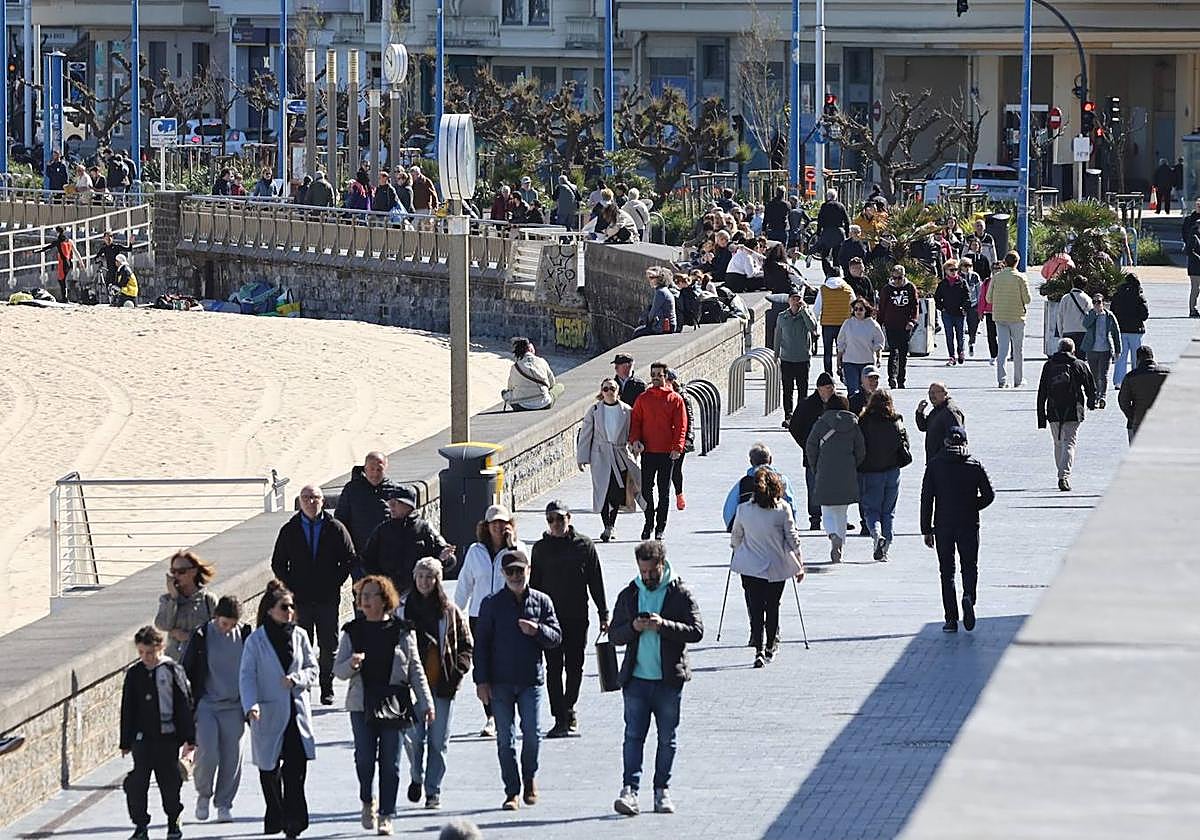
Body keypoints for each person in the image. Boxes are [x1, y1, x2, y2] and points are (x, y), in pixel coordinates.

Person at [333, 575, 433, 836]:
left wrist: (426, 702)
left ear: (384, 599)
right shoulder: (352, 631)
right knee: (365, 759)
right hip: (361, 704)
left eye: (369, 596)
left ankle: (387, 814)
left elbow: (415, 670)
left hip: (394, 703)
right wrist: (352, 664)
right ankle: (367, 799)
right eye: (361, 596)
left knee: (391, 762)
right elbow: (338, 671)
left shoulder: (402, 630)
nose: (363, 601)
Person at [609, 540, 703, 817]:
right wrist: (634, 627)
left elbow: (696, 631)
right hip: (636, 680)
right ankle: (630, 791)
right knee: (633, 737)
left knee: (667, 739)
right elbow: (615, 634)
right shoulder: (630, 594)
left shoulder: (680, 592)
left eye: (652, 571)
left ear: (663, 565)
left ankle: (662, 790)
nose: (648, 577)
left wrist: (664, 626)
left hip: (668, 681)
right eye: (644, 572)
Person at [472, 550, 561, 811]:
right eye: (509, 571)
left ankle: (530, 778)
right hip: (499, 682)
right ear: (502, 574)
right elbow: (481, 646)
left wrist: (537, 631)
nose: (515, 576)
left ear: (528, 571)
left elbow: (556, 637)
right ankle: (511, 790)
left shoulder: (542, 601)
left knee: (532, 734)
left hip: (530, 680)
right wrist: (481, 681)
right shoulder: (491, 604)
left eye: (519, 571)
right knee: (504, 739)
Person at [240, 581, 318, 839]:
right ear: (271, 610)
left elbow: (312, 669)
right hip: (268, 712)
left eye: (292, 607)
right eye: (284, 607)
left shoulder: (300, 636)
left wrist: (297, 679)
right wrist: (250, 705)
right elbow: (247, 676)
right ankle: (276, 810)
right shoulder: (255, 641)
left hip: (295, 713)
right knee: (269, 769)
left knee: (296, 770)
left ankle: (295, 821)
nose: (290, 612)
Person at [397, 558, 473, 810]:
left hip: (442, 685)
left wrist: (457, 671)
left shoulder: (449, 610)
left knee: (438, 741)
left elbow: (466, 645)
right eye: (420, 576)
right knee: (413, 738)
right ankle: (417, 776)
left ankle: (433, 790)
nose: (424, 582)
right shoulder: (402, 608)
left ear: (437, 580)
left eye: (429, 577)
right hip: (411, 687)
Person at [270, 484, 356, 705]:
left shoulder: (335, 527)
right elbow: (278, 563)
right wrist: (290, 587)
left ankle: (326, 686)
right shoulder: (290, 530)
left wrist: (335, 581)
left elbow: (349, 558)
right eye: (306, 498)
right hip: (300, 600)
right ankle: (304, 686)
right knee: (302, 643)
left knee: (329, 644)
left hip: (327, 597)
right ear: (300, 501)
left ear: (322, 501)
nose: (311, 502)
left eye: (315, 497)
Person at [530, 501, 608, 737]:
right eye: (550, 519)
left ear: (569, 517)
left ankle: (569, 707)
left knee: (575, 666)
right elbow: (534, 585)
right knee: (553, 668)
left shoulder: (584, 545)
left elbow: (596, 580)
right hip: (549, 619)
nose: (555, 523)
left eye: (559, 518)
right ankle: (559, 717)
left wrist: (603, 613)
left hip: (577, 616)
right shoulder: (540, 549)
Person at [454, 504, 528, 738]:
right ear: (486, 526)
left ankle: (508, 709)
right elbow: (465, 583)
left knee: (506, 662)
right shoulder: (475, 551)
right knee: (484, 663)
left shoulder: (517, 549)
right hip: (480, 616)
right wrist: (455, 614)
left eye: (502, 522)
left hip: (509, 614)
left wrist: (511, 547)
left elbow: (527, 578)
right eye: (494, 523)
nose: (498, 527)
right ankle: (491, 716)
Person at [120, 625, 195, 840]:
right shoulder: (135, 674)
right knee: (137, 783)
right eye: (142, 653)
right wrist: (126, 741)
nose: (146, 658)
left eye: (150, 653)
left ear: (160, 648)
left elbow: (184, 703)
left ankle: (173, 819)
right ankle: (141, 825)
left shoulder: (171, 671)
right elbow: (128, 708)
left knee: (169, 783)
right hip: (142, 739)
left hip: (167, 738)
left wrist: (190, 737)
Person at [181, 596, 251, 824]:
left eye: (231, 624)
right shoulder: (201, 636)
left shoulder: (245, 635)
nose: (227, 628)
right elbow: (186, 671)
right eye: (223, 624)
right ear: (215, 618)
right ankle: (203, 794)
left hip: (235, 705)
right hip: (207, 704)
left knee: (232, 758)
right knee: (208, 753)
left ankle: (224, 804)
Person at [920, 427, 995, 633]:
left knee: (947, 572)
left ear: (945, 443)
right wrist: (973, 505)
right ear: (965, 443)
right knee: (969, 566)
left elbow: (926, 498)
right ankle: (968, 596)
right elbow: (989, 495)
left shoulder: (935, 465)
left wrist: (926, 529)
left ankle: (951, 619)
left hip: (943, 525)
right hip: (969, 523)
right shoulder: (974, 465)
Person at [730, 468, 805, 668]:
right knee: (772, 605)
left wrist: (739, 551)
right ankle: (771, 644)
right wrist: (799, 562)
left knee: (755, 607)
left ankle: (758, 649)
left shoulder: (744, 509)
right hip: (776, 565)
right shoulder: (783, 509)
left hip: (750, 566)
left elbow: (736, 536)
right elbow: (792, 538)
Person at [629, 361, 688, 541]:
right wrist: (635, 440)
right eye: (653, 375)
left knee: (664, 490)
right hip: (648, 451)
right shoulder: (643, 399)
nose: (655, 378)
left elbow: (681, 425)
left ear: (666, 377)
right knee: (646, 489)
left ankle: (660, 527)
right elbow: (636, 422)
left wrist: (677, 447)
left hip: (667, 453)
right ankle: (649, 522)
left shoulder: (675, 399)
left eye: (659, 375)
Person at [578, 377, 642, 542]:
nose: (609, 392)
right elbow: (586, 434)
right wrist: (582, 457)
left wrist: (635, 448)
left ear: (618, 391)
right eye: (605, 389)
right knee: (602, 492)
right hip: (600, 456)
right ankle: (607, 526)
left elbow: (632, 432)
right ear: (601, 392)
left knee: (615, 492)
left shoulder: (627, 411)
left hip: (619, 454)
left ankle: (611, 525)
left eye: (612, 388)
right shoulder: (594, 410)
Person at [361, 485, 456, 594]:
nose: (391, 506)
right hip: (389, 594)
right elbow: (366, 560)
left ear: (408, 506)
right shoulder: (382, 530)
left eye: (396, 503)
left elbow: (449, 560)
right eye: (390, 502)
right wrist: (382, 581)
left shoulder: (425, 529)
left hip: (419, 593)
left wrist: (444, 558)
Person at [806, 394, 866, 562]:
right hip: (847, 470)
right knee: (842, 512)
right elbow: (861, 449)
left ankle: (833, 536)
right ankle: (840, 545)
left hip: (825, 469)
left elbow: (810, 446)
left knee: (826, 510)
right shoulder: (854, 425)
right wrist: (853, 464)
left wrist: (815, 466)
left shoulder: (821, 423)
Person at [1036, 338, 1098, 492]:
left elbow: (1042, 392)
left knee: (1058, 443)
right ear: (1073, 351)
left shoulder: (1049, 365)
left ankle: (1061, 473)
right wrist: (1091, 403)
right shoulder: (1079, 364)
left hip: (1053, 410)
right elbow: (1091, 387)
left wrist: (1041, 417)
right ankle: (1063, 476)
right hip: (1073, 410)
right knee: (1069, 443)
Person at [857, 389, 912, 562]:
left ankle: (876, 535)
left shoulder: (864, 421)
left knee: (872, 510)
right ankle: (886, 548)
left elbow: (859, 445)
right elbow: (905, 443)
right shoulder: (896, 420)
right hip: (892, 471)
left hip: (871, 471)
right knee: (888, 512)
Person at [788, 372, 837, 530]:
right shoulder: (807, 404)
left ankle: (836, 517)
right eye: (827, 388)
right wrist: (806, 444)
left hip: (834, 455)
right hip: (813, 455)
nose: (830, 391)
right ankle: (815, 519)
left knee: (835, 486)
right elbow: (794, 427)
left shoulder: (837, 403)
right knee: (814, 486)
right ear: (819, 389)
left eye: (832, 387)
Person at [155, 550, 219, 661]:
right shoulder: (167, 599)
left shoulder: (208, 600)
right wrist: (174, 598)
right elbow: (163, 625)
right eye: (173, 571)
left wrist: (189, 637)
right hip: (176, 662)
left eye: (181, 572)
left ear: (193, 572)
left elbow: (218, 633)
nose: (176, 576)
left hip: (201, 662)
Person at [336, 451, 401, 558]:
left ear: (386, 468)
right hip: (359, 555)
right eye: (371, 469)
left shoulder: (395, 491)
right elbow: (341, 521)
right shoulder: (352, 490)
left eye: (379, 469)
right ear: (365, 469)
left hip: (388, 556)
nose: (375, 474)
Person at [722, 443, 799, 532]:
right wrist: (793, 524)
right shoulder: (782, 480)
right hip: (776, 525)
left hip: (749, 526)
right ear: (770, 460)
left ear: (751, 462)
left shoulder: (743, 483)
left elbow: (729, 509)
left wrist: (731, 527)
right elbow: (790, 503)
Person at [986, 251, 1032, 387]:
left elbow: (988, 298)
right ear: (1017, 262)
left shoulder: (996, 277)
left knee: (1002, 349)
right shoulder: (1021, 278)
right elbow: (1027, 299)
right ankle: (1018, 380)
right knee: (1018, 350)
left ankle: (1002, 380)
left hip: (1000, 316)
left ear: (1005, 262)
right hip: (1017, 317)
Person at [774, 289, 817, 425]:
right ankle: (788, 415)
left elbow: (812, 327)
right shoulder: (782, 316)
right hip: (787, 358)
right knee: (787, 389)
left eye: (798, 298)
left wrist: (804, 311)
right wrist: (776, 354)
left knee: (802, 389)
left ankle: (801, 415)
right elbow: (778, 335)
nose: (796, 301)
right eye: (793, 298)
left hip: (802, 358)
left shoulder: (806, 314)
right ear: (788, 300)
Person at [877, 264, 920, 389]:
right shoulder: (886, 289)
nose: (896, 281)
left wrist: (912, 321)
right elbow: (882, 308)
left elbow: (915, 306)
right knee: (893, 351)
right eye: (894, 278)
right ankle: (892, 378)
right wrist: (878, 324)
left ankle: (901, 379)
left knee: (903, 353)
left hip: (905, 325)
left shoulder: (910, 288)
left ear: (904, 277)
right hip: (891, 325)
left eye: (899, 278)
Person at [1119, 345, 1169, 443]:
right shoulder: (1167, 373)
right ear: (1152, 357)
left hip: (1139, 421)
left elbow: (1123, 401)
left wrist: (1132, 417)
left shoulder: (1131, 377)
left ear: (1137, 359)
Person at [836, 298, 885, 396]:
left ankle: (868, 410)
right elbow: (841, 343)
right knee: (853, 391)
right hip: (850, 362)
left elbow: (878, 343)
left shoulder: (872, 324)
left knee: (868, 392)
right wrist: (838, 361)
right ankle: (853, 410)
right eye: (856, 309)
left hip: (867, 362)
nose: (858, 311)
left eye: (861, 309)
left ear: (866, 310)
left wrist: (879, 358)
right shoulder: (848, 323)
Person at [1082, 291, 1122, 408]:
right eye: (1094, 302)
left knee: (1103, 375)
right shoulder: (1090, 313)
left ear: (1103, 303)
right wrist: (1094, 313)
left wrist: (1118, 350)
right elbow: (1085, 324)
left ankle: (1102, 397)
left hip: (1105, 350)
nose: (1096, 304)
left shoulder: (1109, 316)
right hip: (1092, 350)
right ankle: (1095, 396)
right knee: (1094, 375)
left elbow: (1116, 333)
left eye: (1098, 301)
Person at [1110, 273, 1150, 387]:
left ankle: (1118, 381)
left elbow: (1113, 311)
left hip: (1121, 329)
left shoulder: (1118, 295)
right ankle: (1136, 379)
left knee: (1121, 356)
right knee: (1136, 356)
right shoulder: (1139, 295)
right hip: (1135, 330)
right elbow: (1144, 314)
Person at [813, 271, 855, 376]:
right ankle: (842, 371)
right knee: (842, 350)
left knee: (827, 351)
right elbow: (854, 305)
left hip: (827, 324)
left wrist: (813, 324)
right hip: (844, 324)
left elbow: (817, 309)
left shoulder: (823, 289)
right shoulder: (848, 289)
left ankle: (828, 374)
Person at [666, 370, 696, 510]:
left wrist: (689, 438)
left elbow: (689, 418)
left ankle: (679, 495)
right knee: (664, 470)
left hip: (679, 438)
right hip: (663, 438)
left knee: (676, 469)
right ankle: (663, 499)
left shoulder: (682, 396)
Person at [503, 336, 561, 411]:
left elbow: (510, 387)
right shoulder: (542, 361)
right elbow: (552, 383)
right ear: (530, 349)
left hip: (521, 405)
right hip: (544, 403)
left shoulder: (515, 367)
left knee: (504, 392)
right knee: (560, 386)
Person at [914, 382, 965, 463]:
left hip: (946, 461)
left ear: (945, 393)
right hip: (935, 459)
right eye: (930, 393)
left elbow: (957, 437)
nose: (932, 396)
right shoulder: (937, 409)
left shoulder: (950, 411)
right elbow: (923, 427)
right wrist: (920, 412)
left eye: (935, 392)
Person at [934, 259, 971, 365]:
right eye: (951, 270)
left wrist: (964, 308)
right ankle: (951, 356)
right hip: (947, 314)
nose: (954, 271)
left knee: (961, 335)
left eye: (955, 269)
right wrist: (942, 308)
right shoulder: (943, 284)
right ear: (946, 271)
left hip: (960, 313)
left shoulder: (962, 282)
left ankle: (961, 352)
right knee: (949, 335)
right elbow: (937, 298)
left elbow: (968, 297)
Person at [813, 188, 851, 274]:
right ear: (836, 197)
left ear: (827, 196)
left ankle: (827, 272)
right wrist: (847, 233)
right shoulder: (841, 206)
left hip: (827, 232)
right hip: (839, 232)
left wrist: (818, 232)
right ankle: (836, 272)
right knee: (836, 255)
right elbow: (847, 221)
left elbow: (820, 220)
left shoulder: (824, 206)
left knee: (825, 254)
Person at [632, 266, 678, 337]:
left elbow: (654, 311)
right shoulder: (663, 290)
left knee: (637, 333)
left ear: (659, 279)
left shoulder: (660, 292)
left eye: (652, 278)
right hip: (669, 324)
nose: (649, 280)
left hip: (666, 326)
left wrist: (647, 323)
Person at [1055, 277, 1091, 361]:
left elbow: (1060, 317)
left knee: (1066, 359)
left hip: (1067, 331)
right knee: (1080, 360)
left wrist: (1061, 333)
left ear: (1073, 284)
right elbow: (1090, 318)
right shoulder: (1087, 298)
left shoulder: (1065, 298)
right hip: (1082, 333)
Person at [41, 225, 76, 302]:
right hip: (69, 262)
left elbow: (49, 246)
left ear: (57, 232)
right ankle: (65, 298)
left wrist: (40, 250)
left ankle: (65, 298)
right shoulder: (68, 240)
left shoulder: (59, 241)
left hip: (63, 263)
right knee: (64, 280)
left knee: (61, 281)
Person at [959, 257, 983, 357]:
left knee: (973, 328)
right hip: (961, 306)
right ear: (961, 267)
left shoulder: (975, 276)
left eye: (970, 266)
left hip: (973, 305)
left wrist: (979, 306)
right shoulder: (958, 276)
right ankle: (961, 349)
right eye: (965, 266)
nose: (968, 268)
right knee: (961, 328)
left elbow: (979, 291)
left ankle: (971, 342)